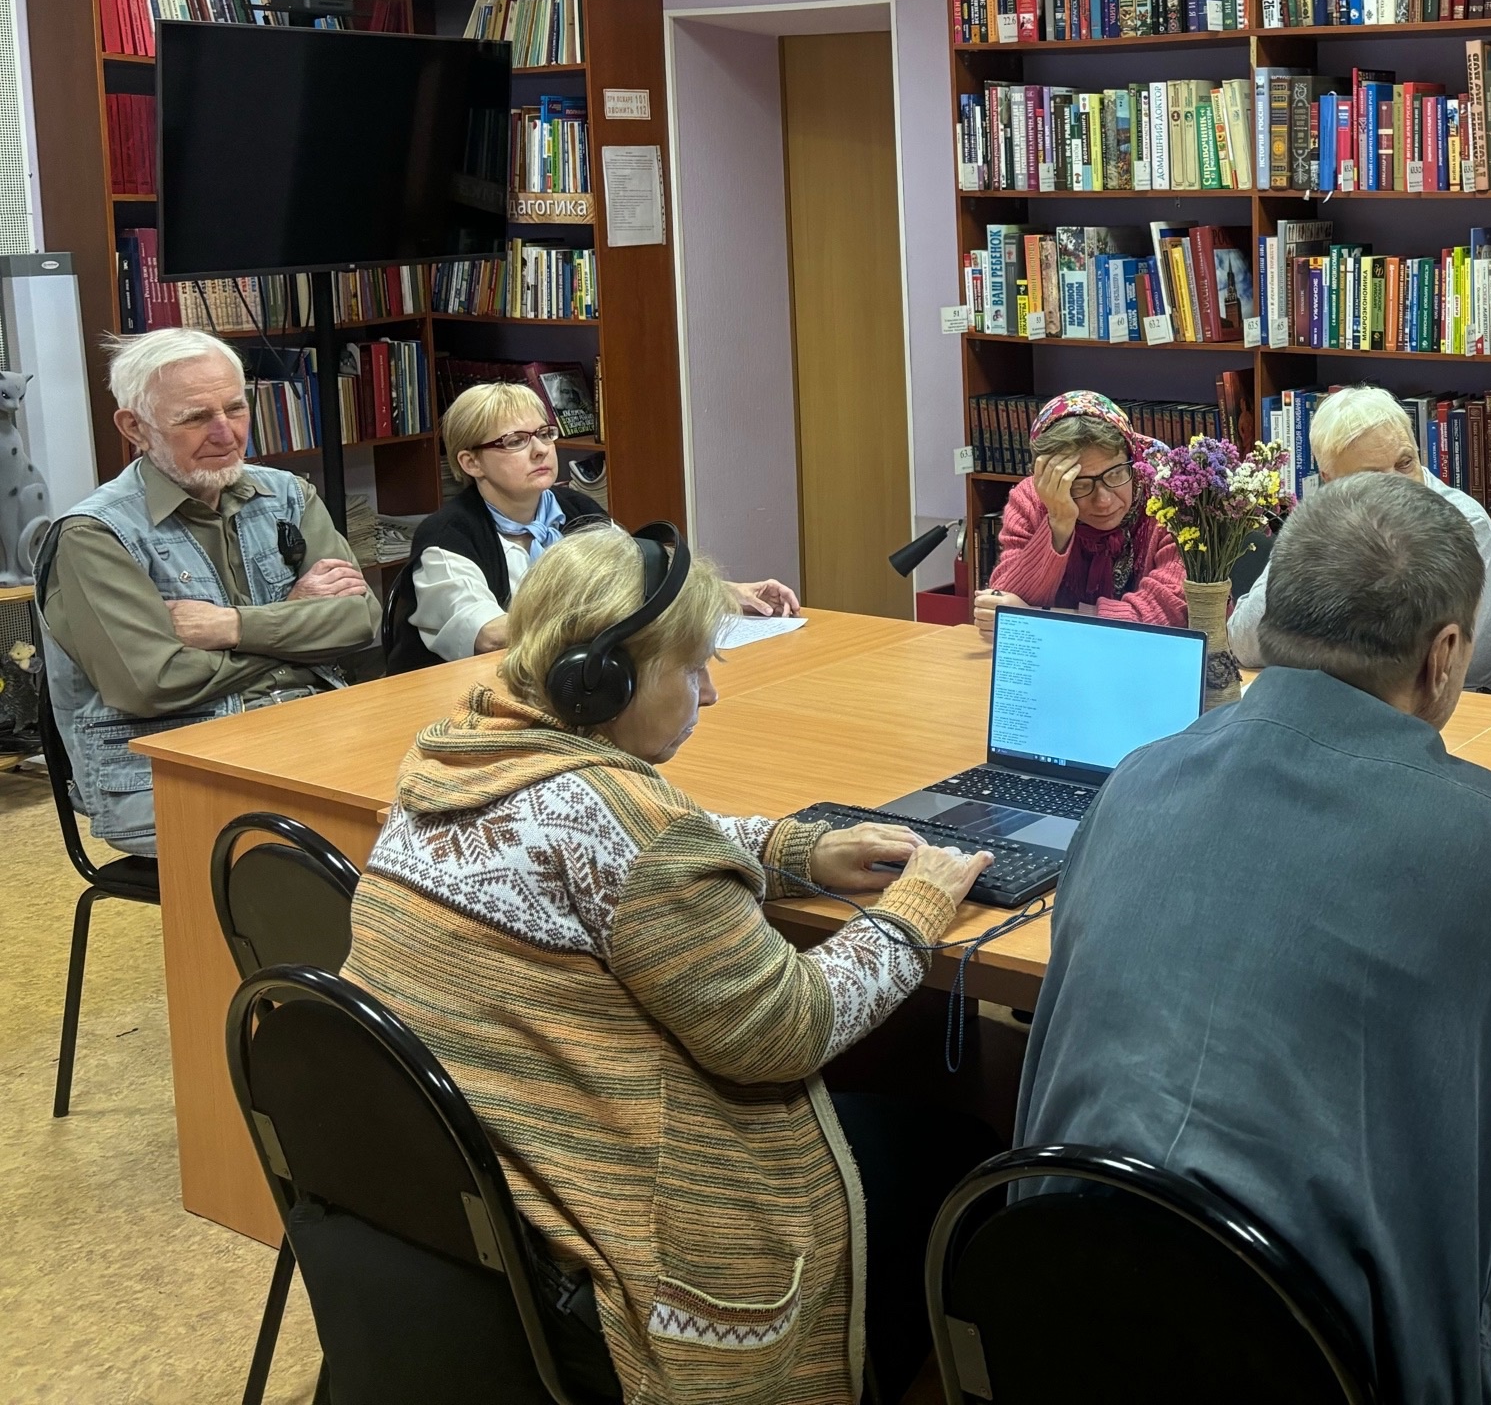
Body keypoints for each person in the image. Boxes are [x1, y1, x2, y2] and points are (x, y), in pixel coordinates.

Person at [1017, 472, 1491, 1404]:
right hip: (1355, 1352)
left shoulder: (1133, 779)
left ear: (1270, 613)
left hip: (1073, 1304)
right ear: (1445, 656)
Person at [343, 523, 993, 1403]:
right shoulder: (631, 827)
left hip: (480, 1203)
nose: (710, 694)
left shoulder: (457, 749)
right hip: (621, 1240)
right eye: (692, 670)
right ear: (607, 678)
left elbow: (634, 842)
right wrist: (917, 907)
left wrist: (796, 848)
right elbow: (789, 1029)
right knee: (965, 1150)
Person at [36, 328, 377, 857]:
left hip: (309, 730)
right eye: (196, 417)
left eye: (235, 409)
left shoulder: (288, 495)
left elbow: (359, 622)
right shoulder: (94, 536)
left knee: (447, 801)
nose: (226, 433)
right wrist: (294, 626)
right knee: (349, 843)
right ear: (134, 427)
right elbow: (152, 684)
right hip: (170, 773)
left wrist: (230, 627)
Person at [388, 380, 799, 672]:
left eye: (544, 434)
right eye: (515, 441)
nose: (540, 450)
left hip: (558, 684)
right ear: (471, 462)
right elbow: (489, 635)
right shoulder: (447, 537)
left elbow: (641, 575)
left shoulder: (576, 510)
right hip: (457, 703)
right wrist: (598, 615)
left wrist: (727, 593)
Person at [1227, 383, 1491, 696]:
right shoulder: (1323, 518)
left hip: (1473, 701)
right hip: (1357, 697)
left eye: (1405, 464)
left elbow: (1418, 669)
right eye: (1375, 477)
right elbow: (1244, 641)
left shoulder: (1465, 526)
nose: (1400, 488)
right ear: (1331, 482)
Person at [973, 390, 1184, 637]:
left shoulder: (1172, 499)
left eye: (1115, 474)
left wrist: (1042, 620)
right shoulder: (1031, 499)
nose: (1103, 501)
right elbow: (1005, 612)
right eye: (1080, 485)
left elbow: (1167, 613)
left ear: (1133, 459)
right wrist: (1058, 523)